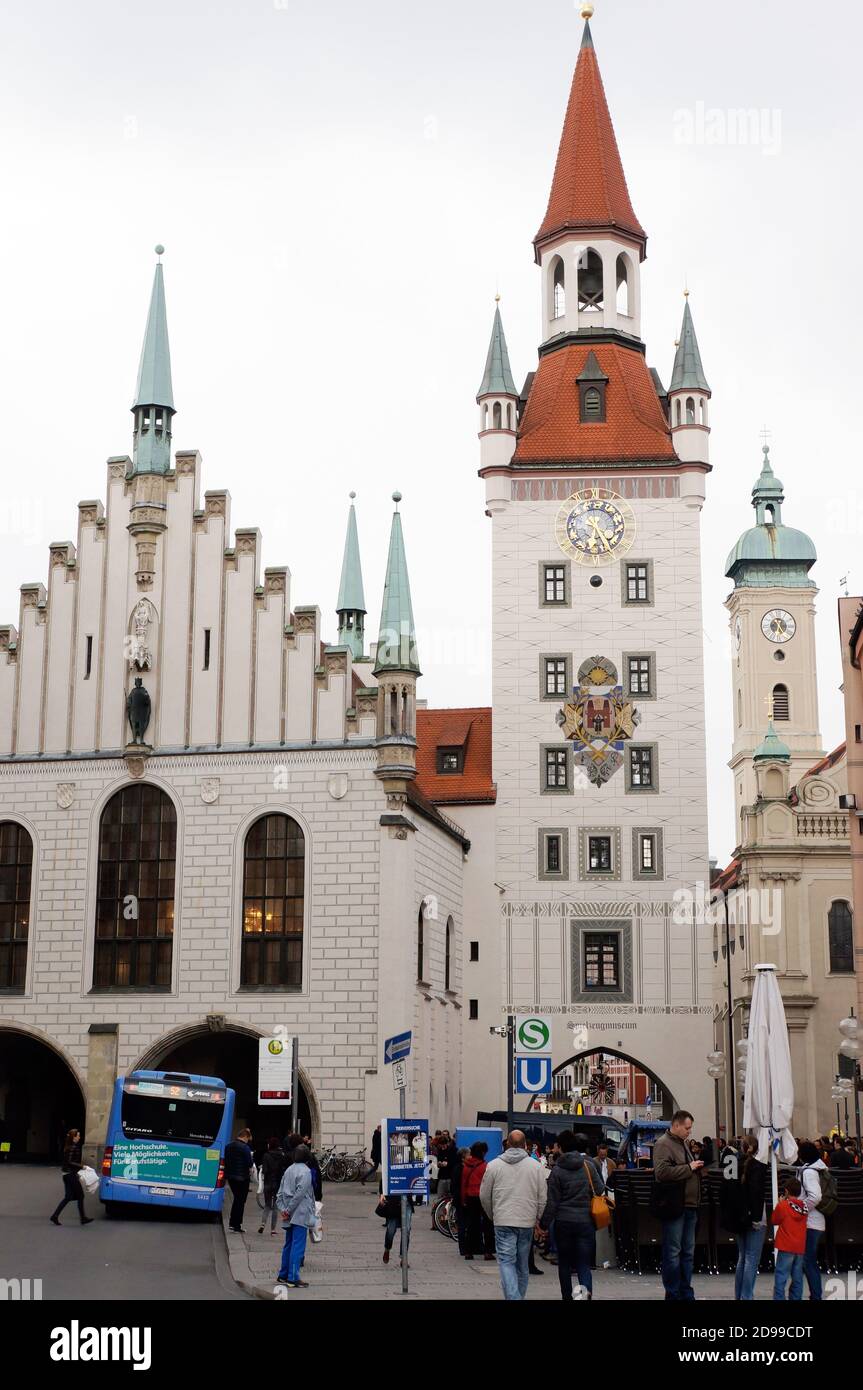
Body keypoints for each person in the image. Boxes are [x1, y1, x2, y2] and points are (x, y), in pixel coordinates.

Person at [479, 1130, 548, 1301]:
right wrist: (537, 1218)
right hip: (526, 1221)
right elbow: (543, 1197)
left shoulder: (493, 1165)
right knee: (522, 1264)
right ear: (525, 1145)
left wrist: (492, 1215)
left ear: (507, 1144)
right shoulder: (536, 1167)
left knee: (506, 1262)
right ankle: (517, 1297)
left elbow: (484, 1195)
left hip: (503, 1219)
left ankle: (513, 1298)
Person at [538, 1130, 604, 1301]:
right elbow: (600, 1189)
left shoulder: (557, 1171)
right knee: (583, 1264)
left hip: (563, 1223)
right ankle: (582, 1298)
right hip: (585, 1222)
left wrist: (543, 1225)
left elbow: (552, 1202)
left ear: (560, 1148)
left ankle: (567, 1297)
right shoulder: (587, 1166)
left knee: (565, 1264)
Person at [652, 1109, 704, 1301]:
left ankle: (685, 1291)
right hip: (675, 1206)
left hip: (690, 1205)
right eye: (687, 1128)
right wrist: (689, 1168)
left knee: (687, 1252)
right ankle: (673, 1293)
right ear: (676, 1125)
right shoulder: (663, 1144)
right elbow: (662, 1173)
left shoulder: (682, 1144)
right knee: (673, 1252)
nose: (689, 1132)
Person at [732, 1138, 768, 1300]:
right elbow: (757, 1193)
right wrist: (756, 1217)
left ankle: (740, 1295)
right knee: (751, 1259)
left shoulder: (734, 1163)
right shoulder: (758, 1166)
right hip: (755, 1215)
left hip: (738, 1215)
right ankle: (747, 1296)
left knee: (742, 1257)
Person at [276, 1143, 317, 1287]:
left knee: (288, 1244)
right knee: (298, 1246)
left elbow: (280, 1192)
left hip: (288, 1213)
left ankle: (283, 1274)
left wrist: (283, 1209)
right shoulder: (306, 1172)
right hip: (300, 1213)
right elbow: (300, 1194)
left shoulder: (289, 1170)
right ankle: (293, 1277)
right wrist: (289, 1209)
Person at [798, 1139, 829, 1300]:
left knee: (808, 1261)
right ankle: (815, 1295)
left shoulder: (809, 1172)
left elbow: (815, 1196)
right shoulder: (819, 1167)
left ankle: (816, 1296)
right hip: (816, 1221)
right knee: (809, 1260)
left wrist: (801, 1209)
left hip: (810, 1221)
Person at [771, 1177, 808, 1301]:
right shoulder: (804, 1207)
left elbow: (774, 1220)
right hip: (800, 1247)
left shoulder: (783, 1205)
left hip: (786, 1245)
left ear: (786, 1191)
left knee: (781, 1277)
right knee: (797, 1278)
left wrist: (778, 1203)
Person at [49, 1129, 93, 1226]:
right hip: (70, 1175)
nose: (79, 1137)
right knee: (81, 1196)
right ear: (74, 1137)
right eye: (78, 1135)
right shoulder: (73, 1147)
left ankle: (55, 1216)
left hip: (66, 1174)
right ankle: (83, 1218)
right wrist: (82, 1166)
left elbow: (67, 1162)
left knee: (68, 1197)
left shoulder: (68, 1147)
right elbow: (70, 1162)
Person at [462, 1141, 495, 1260]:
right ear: (482, 1152)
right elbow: (488, 1185)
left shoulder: (466, 1166)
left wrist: (463, 1199)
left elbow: (463, 1184)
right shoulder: (485, 1166)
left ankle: (468, 1251)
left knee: (471, 1224)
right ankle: (488, 1251)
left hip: (470, 1197)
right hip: (483, 1197)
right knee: (488, 1224)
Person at [223, 1127, 254, 1233]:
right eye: (248, 1138)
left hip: (231, 1177)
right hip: (242, 1178)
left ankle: (232, 1223)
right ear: (245, 1136)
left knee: (237, 1200)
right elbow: (249, 1163)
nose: (248, 1141)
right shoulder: (245, 1148)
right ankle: (236, 1225)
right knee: (240, 1201)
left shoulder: (228, 1146)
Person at [258, 1137, 288, 1236]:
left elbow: (265, 1171)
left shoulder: (266, 1155)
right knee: (275, 1207)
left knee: (267, 1205)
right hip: (278, 1184)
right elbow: (283, 1170)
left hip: (268, 1183)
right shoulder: (282, 1156)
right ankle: (273, 1230)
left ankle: (263, 1224)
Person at [379, 1190, 414, 1265]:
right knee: (391, 1230)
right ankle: (387, 1249)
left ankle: (403, 1258)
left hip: (407, 1202)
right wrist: (382, 1193)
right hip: (393, 1201)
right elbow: (384, 1179)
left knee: (406, 1230)